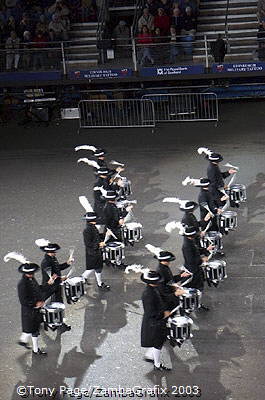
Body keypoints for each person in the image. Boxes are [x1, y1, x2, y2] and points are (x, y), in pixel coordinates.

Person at [141, 270, 184, 370]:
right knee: (158, 343)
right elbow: (151, 312)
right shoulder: (148, 294)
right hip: (155, 322)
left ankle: (152, 357)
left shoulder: (152, 289)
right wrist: (164, 314)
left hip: (156, 321)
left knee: (158, 342)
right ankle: (156, 364)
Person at [16, 259, 57, 355]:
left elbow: (38, 289)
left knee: (33, 330)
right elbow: (23, 301)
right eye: (30, 273)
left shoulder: (31, 279)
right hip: (29, 312)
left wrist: (48, 283)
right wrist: (36, 304)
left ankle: (28, 345)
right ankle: (33, 348)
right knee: (32, 330)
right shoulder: (22, 284)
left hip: (34, 311)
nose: (32, 274)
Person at [37, 239, 74, 331]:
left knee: (58, 305)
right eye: (53, 252)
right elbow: (50, 277)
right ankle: (43, 321)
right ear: (49, 252)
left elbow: (57, 268)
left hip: (56, 286)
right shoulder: (46, 262)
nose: (55, 253)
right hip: (50, 287)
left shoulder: (52, 258)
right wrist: (60, 279)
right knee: (45, 304)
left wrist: (67, 263)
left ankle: (59, 323)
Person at [181, 226, 210, 310]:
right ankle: (189, 305)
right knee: (193, 288)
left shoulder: (190, 241)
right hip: (192, 270)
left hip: (195, 269)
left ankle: (196, 303)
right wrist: (202, 260)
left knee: (198, 286)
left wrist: (205, 250)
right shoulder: (187, 246)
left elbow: (197, 251)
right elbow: (191, 260)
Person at [81, 208, 110, 290]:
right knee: (95, 268)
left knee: (96, 268)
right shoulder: (87, 230)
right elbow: (88, 243)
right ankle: (98, 283)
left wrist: (105, 235)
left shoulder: (92, 227)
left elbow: (96, 237)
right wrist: (99, 244)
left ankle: (85, 278)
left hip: (95, 252)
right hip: (93, 253)